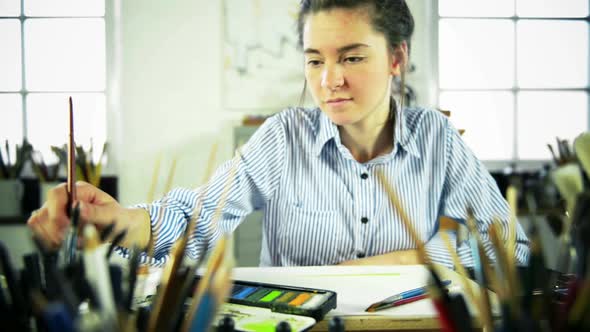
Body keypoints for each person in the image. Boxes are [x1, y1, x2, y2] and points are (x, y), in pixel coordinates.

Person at [28, 0, 529, 268]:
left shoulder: (437, 139)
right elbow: (194, 219)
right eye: (315, 60)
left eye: (352, 57)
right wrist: (119, 220)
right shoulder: (282, 138)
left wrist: (413, 259)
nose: (330, 80)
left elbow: (512, 248)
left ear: (396, 58)